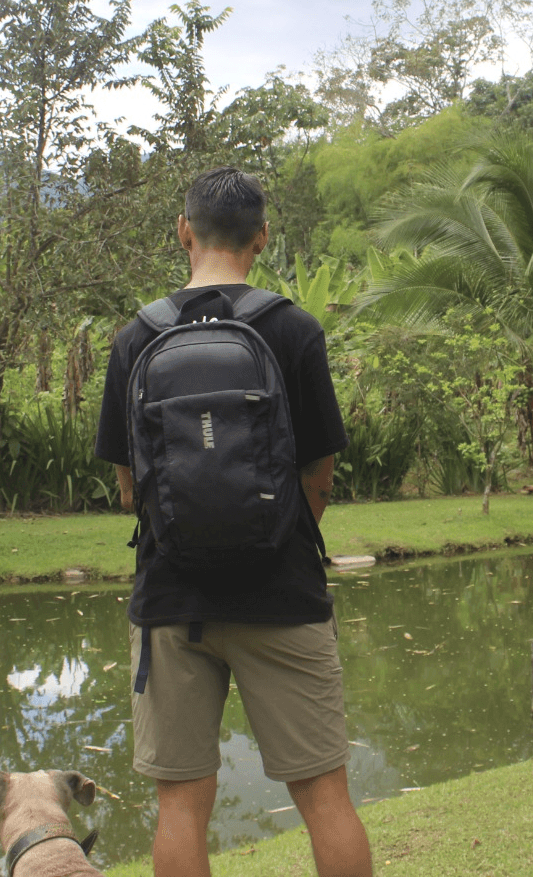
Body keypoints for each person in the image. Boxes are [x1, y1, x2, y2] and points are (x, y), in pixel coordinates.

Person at [94, 167, 372, 877]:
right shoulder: (294, 328)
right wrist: (273, 538)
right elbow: (318, 479)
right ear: (263, 238)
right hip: (283, 595)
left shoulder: (136, 338)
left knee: (182, 804)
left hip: (171, 599)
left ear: (183, 231)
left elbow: (130, 486)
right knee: (324, 796)